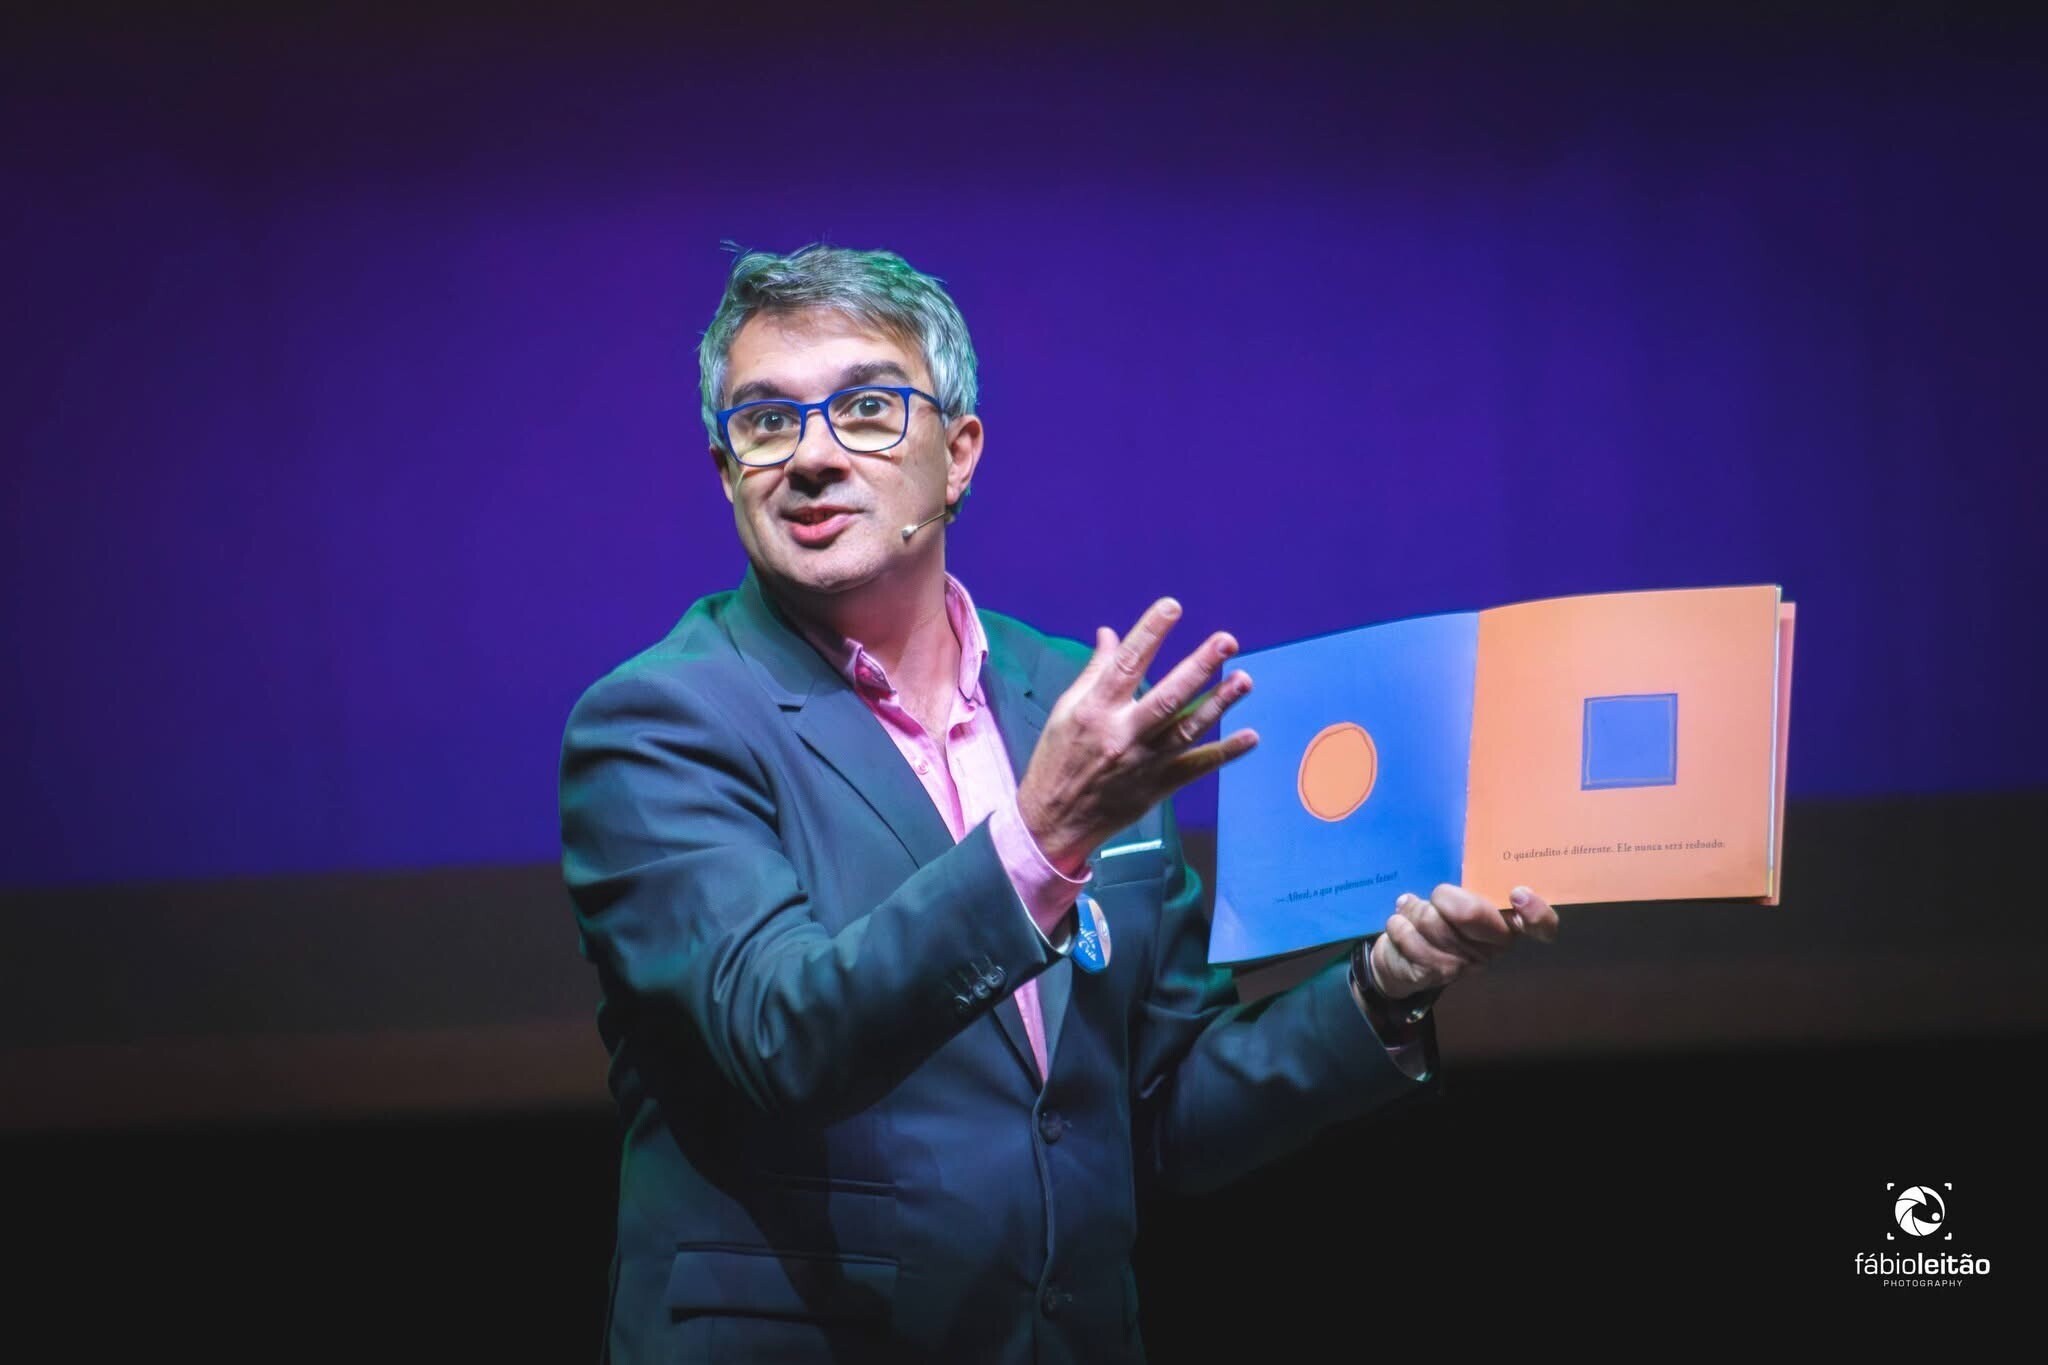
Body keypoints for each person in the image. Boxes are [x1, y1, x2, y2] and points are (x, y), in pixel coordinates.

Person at [557, 243, 1559, 1363]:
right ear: (726, 469)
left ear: (958, 455)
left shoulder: (1070, 708)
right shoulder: (656, 726)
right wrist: (1040, 838)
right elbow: (782, 1039)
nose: (812, 456)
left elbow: (1161, 1110)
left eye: (867, 410)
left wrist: (1383, 989)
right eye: (765, 421)